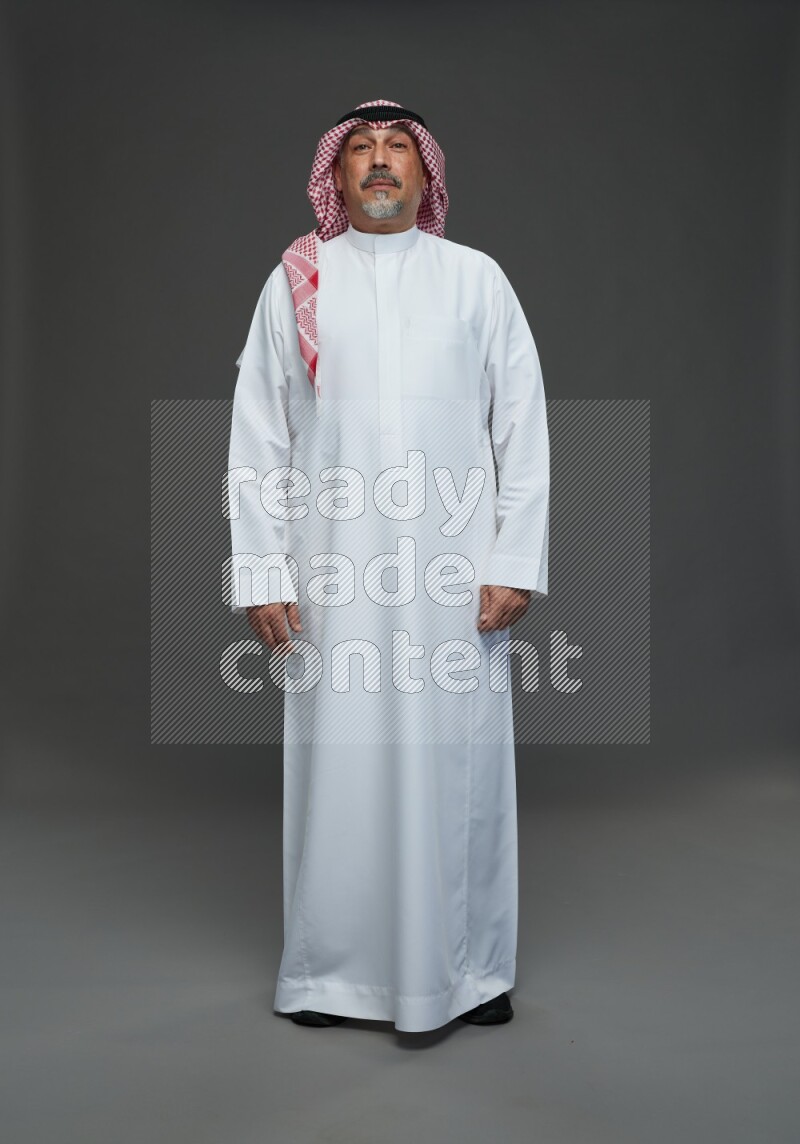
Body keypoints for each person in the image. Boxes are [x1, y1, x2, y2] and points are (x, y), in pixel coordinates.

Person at [227, 99, 549, 1032]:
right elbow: (258, 434)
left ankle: (473, 970)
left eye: (396, 149)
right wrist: (262, 572)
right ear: (333, 177)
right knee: (340, 764)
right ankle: (332, 974)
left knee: (461, 766)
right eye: (359, 150)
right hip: (333, 575)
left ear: (425, 176)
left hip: (455, 576)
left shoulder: (477, 281)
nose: (377, 163)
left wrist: (514, 560)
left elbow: (522, 427)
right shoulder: (299, 282)